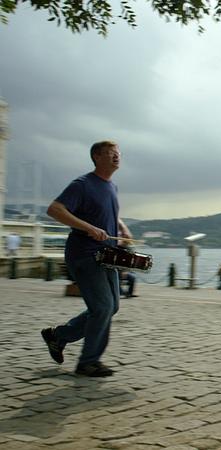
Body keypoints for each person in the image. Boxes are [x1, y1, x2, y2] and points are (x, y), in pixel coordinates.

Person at [40, 140, 132, 377]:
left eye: (118, 153)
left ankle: (58, 336)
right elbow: (55, 209)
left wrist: (121, 227)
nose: (117, 156)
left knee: (110, 308)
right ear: (97, 157)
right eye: (111, 153)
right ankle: (88, 363)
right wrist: (88, 228)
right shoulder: (82, 184)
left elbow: (108, 210)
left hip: (108, 255)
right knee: (102, 307)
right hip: (85, 254)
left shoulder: (112, 187)